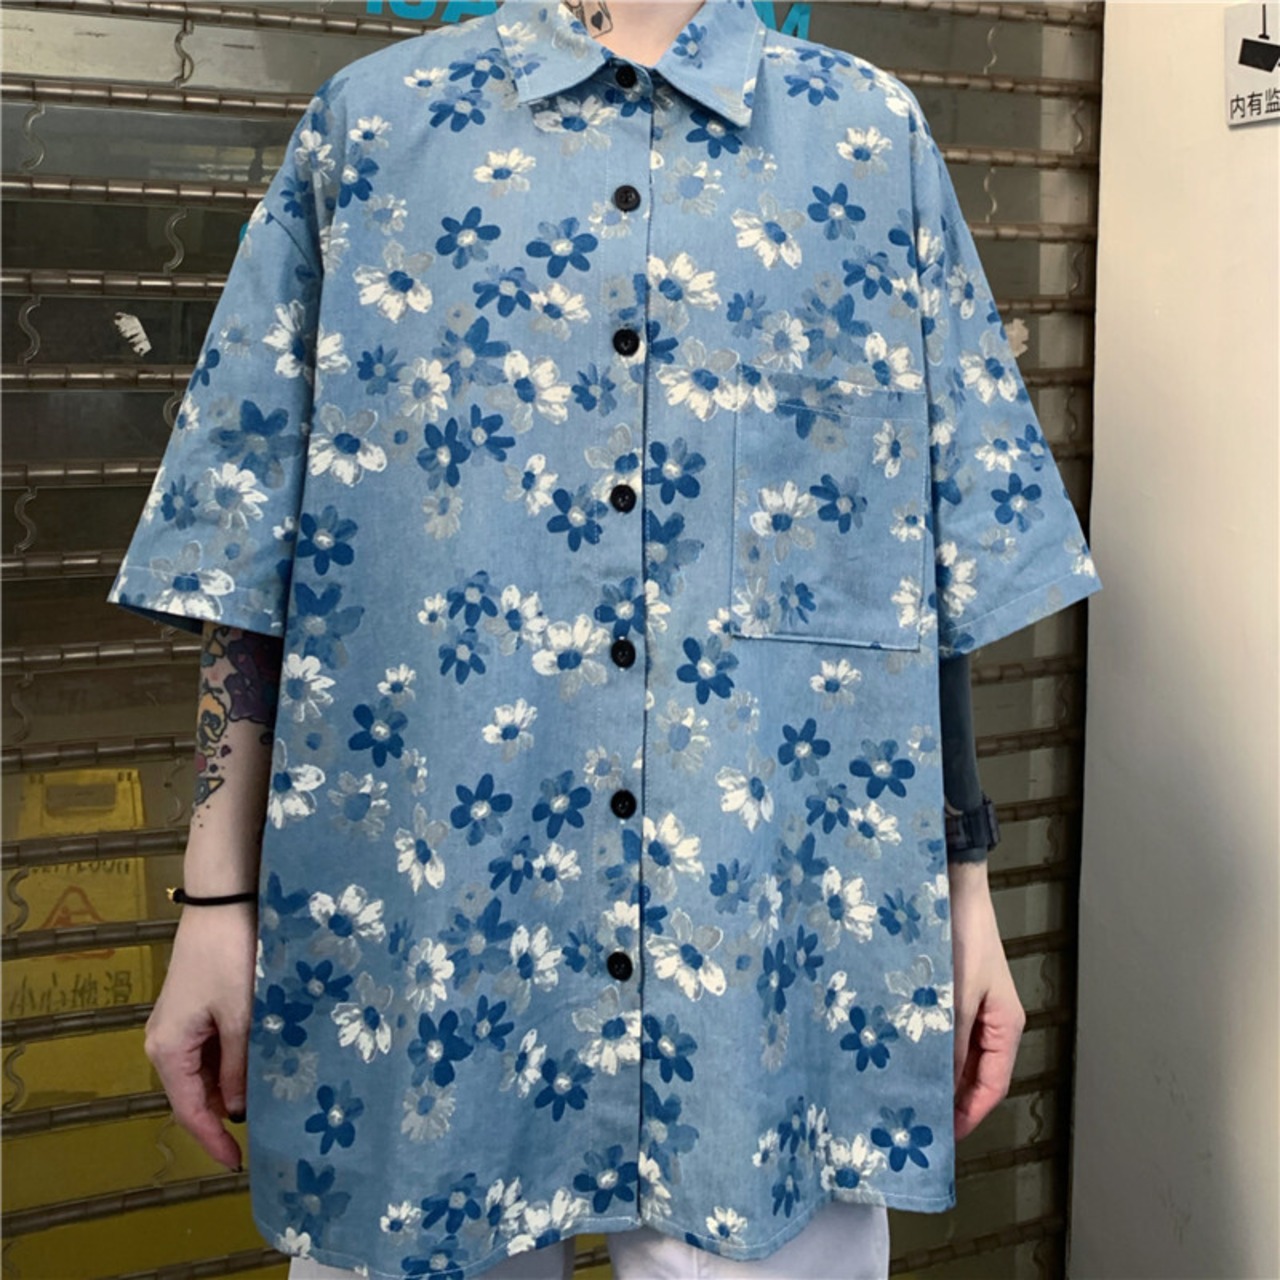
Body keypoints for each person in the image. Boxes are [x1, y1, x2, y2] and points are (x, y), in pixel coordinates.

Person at [109, 1, 1102, 1277]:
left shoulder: (866, 138)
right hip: (433, 936)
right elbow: (250, 561)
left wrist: (963, 893)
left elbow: (910, 563)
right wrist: (215, 899)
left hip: (763, 953)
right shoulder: (374, 131)